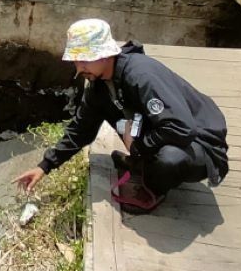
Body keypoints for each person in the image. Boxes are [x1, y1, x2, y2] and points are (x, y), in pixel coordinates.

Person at [12, 18, 229, 212]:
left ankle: (153, 188)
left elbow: (182, 128)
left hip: (201, 143)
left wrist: (138, 147)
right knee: (121, 120)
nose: (80, 68)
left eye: (86, 59)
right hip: (162, 132)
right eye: (76, 61)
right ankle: (142, 163)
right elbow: (80, 130)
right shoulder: (99, 86)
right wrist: (45, 166)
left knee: (170, 160)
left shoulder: (140, 75)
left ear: (106, 54)